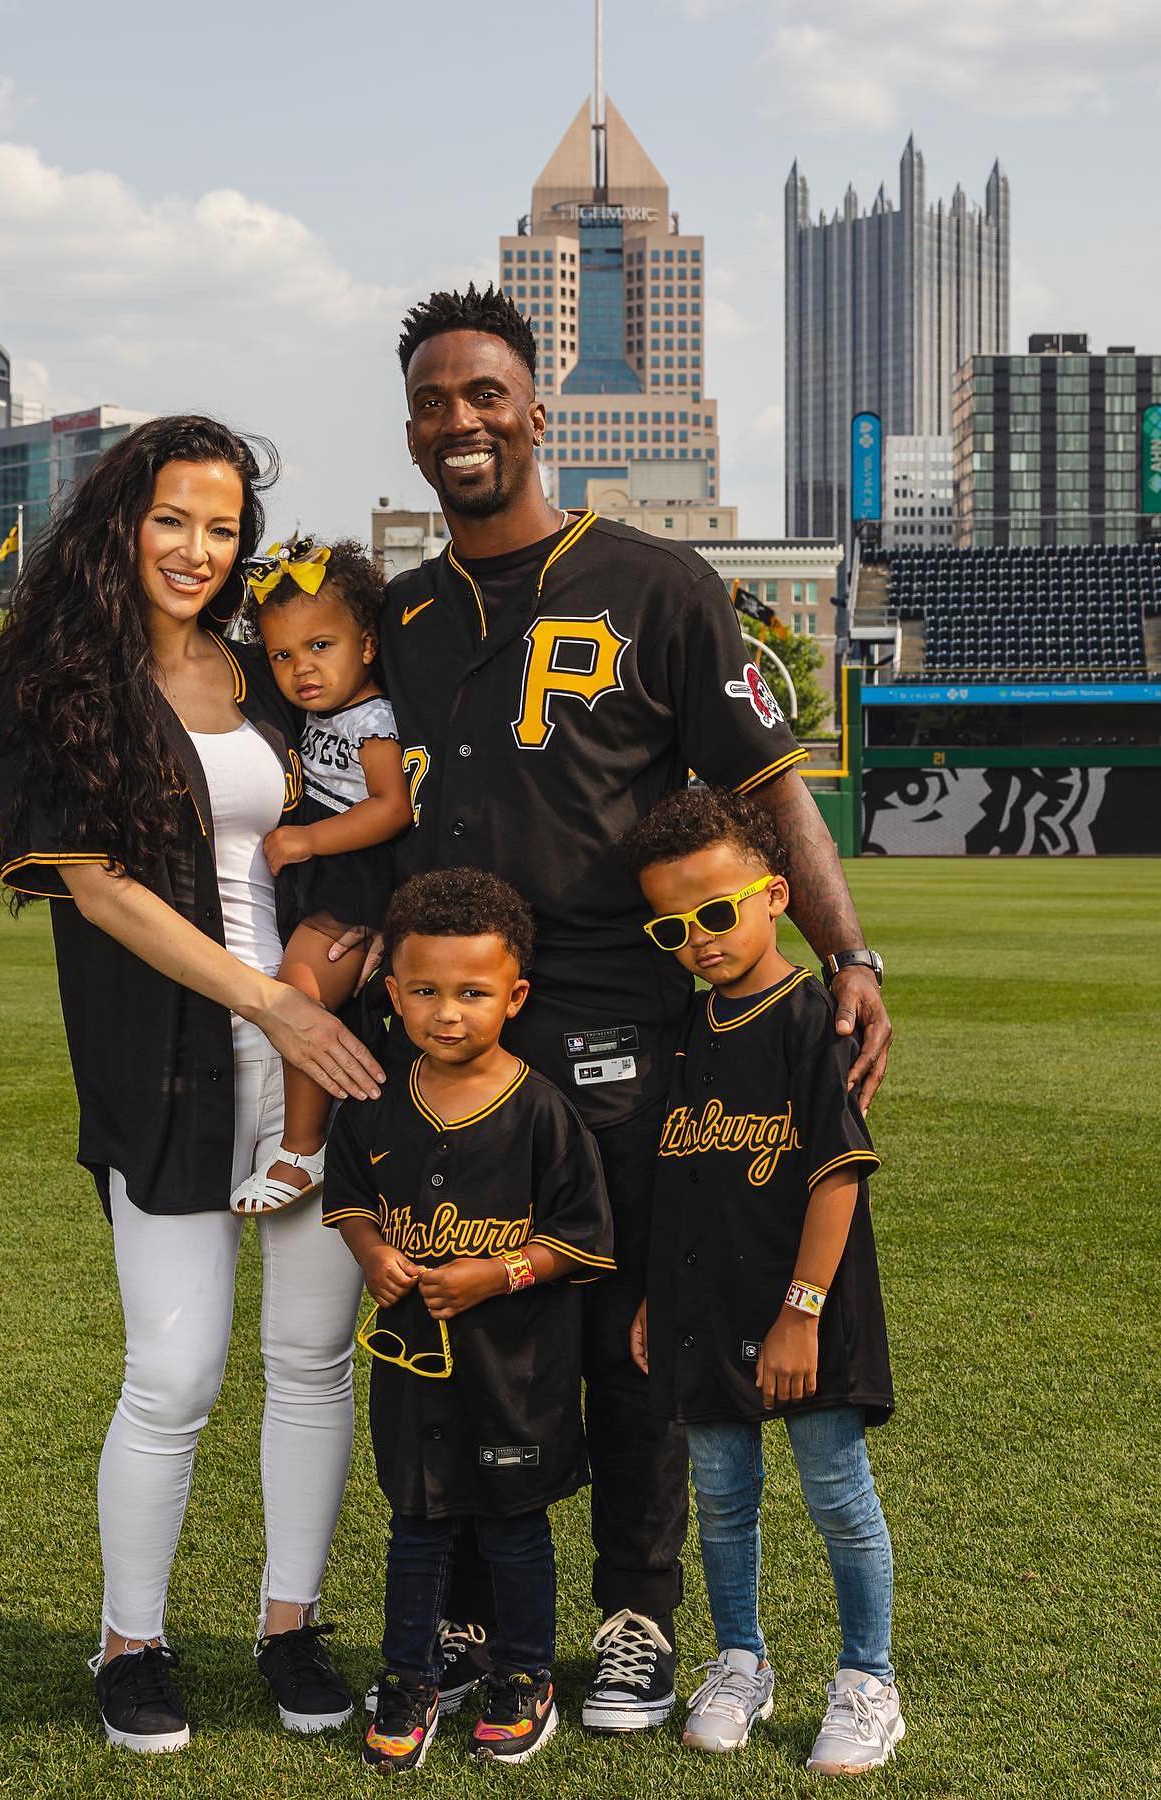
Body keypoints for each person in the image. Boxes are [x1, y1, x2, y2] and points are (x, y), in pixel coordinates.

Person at [340, 283, 893, 1734]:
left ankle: (636, 1613)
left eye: (485, 395)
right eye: (434, 402)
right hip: (448, 1017)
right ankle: (465, 1608)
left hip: (619, 1010)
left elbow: (772, 785)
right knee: (461, 1301)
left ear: (539, 412)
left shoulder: (656, 584)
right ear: (410, 432)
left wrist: (853, 957)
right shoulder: (398, 614)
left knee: (630, 1316)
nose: (460, 420)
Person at [0, 416, 386, 1755]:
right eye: (173, 520)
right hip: (169, 1056)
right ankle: (130, 1642)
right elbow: (95, 888)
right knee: (176, 1371)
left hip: (316, 1051)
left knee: (315, 1359)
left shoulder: (266, 672)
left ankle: (290, 1624)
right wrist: (265, 997)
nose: (198, 551)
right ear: (119, 522)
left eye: (221, 528)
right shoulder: (62, 677)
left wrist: (326, 974)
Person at [621, 785, 902, 1776]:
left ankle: (869, 1679)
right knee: (722, 1496)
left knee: (835, 1492)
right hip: (704, 1307)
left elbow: (837, 1180)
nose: (696, 939)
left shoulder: (811, 1019)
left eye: (714, 912)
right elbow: (682, 1177)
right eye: (671, 926)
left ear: (775, 894)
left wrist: (802, 1313)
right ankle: (739, 1659)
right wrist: (660, 1294)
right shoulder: (690, 1029)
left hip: (805, 1313)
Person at [322, 868, 615, 1771]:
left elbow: (586, 1238)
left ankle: (524, 1677)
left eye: (473, 992)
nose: (447, 1012)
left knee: (514, 1530)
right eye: (424, 991)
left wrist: (501, 1270)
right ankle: (408, 1677)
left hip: (517, 1375)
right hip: (413, 1371)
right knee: (416, 1527)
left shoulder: (542, 1113)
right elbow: (353, 1198)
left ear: (514, 996)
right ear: (395, 994)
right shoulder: (374, 1101)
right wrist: (372, 1253)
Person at [228, 538, 411, 1213]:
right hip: (327, 881)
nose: (301, 668)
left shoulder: (375, 718)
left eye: (320, 647)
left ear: (366, 645)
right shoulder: (315, 714)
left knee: (296, 993)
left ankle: (303, 1149)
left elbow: (393, 808)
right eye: (283, 654)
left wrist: (307, 839)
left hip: (352, 884)